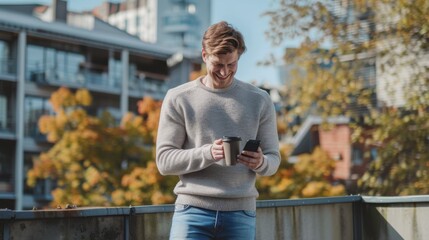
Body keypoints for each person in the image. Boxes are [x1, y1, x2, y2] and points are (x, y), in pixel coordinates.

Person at [156, 21, 280, 240]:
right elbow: (164, 161)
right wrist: (208, 153)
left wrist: (261, 162)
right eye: (217, 64)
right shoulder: (178, 98)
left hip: (241, 213)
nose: (224, 72)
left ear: (239, 57)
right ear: (204, 55)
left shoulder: (260, 100)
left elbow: (274, 160)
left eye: (231, 64)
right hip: (191, 212)